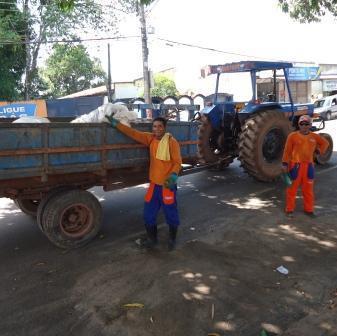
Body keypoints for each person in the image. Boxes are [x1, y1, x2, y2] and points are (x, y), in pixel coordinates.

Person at [108, 115, 182, 250]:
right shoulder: (150, 138)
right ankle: (152, 240)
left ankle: (172, 240)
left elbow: (177, 162)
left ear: (165, 128)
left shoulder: (172, 142)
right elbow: (133, 133)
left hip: (167, 185)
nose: (157, 129)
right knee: (148, 215)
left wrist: (172, 177)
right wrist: (116, 124)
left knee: (171, 214)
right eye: (155, 126)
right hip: (154, 185)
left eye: (160, 126)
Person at [282, 115, 329, 218]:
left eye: (306, 124)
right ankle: (289, 209)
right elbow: (287, 151)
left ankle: (309, 210)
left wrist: (319, 151)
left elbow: (325, 143)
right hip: (295, 167)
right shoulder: (292, 136)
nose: (304, 126)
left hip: (309, 167)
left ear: (310, 125)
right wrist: (285, 164)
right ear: (299, 125)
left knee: (308, 190)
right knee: (292, 189)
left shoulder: (314, 136)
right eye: (302, 124)